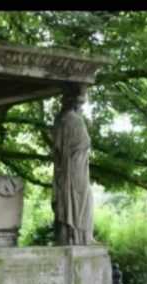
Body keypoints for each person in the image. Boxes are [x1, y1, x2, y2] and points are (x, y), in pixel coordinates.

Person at [52, 84, 94, 245]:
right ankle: (77, 236)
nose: (83, 107)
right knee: (79, 200)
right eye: (81, 102)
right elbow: (81, 144)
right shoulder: (73, 120)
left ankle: (77, 235)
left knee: (78, 200)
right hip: (75, 168)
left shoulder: (63, 119)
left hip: (73, 167)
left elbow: (58, 146)